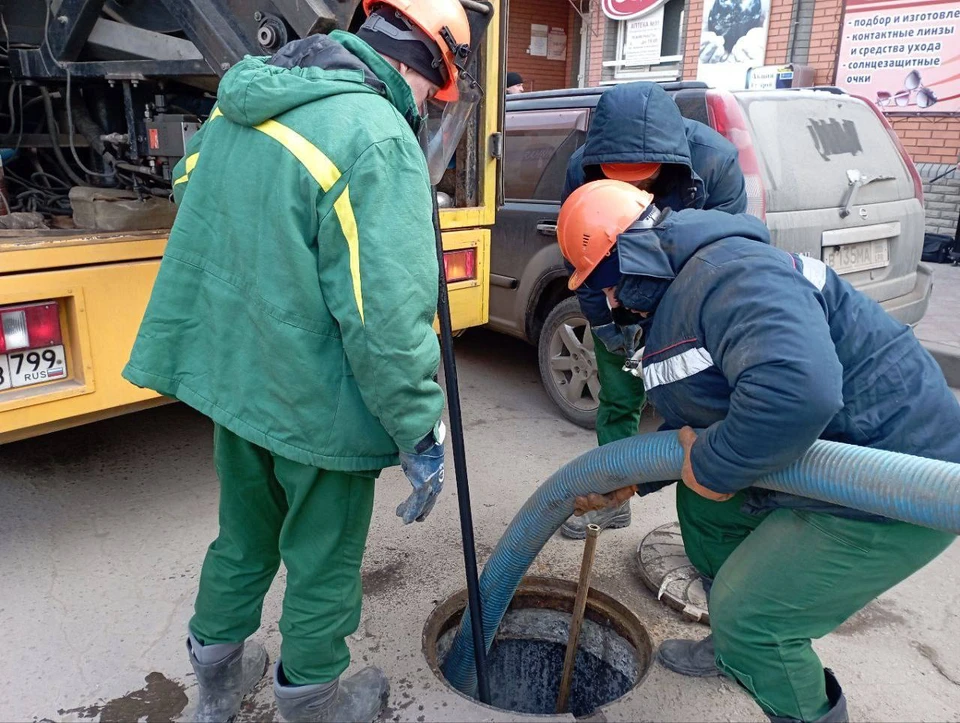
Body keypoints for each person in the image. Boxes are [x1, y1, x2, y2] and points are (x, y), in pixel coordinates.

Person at [122, 1, 471, 721]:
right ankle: (311, 699)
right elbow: (384, 316)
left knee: (244, 532)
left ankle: (216, 682)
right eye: (431, 99)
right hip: (318, 398)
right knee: (323, 556)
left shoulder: (245, 104)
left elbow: (193, 187)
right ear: (423, 66)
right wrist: (418, 429)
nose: (423, 111)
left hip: (238, 378)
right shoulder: (374, 135)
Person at [559, 179, 958, 723]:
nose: (607, 301)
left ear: (624, 260)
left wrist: (713, 464)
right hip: (809, 453)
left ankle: (750, 645)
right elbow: (704, 412)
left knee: (754, 619)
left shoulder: (731, 276)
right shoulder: (685, 283)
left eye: (601, 285)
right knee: (705, 505)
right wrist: (631, 479)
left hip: (891, 480)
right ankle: (733, 649)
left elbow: (799, 392)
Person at [559, 81, 747, 539]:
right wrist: (606, 322)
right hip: (616, 298)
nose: (629, 190)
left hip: (689, 301)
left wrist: (670, 324)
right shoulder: (580, 168)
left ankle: (712, 530)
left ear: (668, 164)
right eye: (615, 178)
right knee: (619, 400)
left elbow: (729, 255)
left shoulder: (714, 161)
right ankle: (611, 498)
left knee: (701, 416)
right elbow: (578, 255)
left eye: (641, 179)